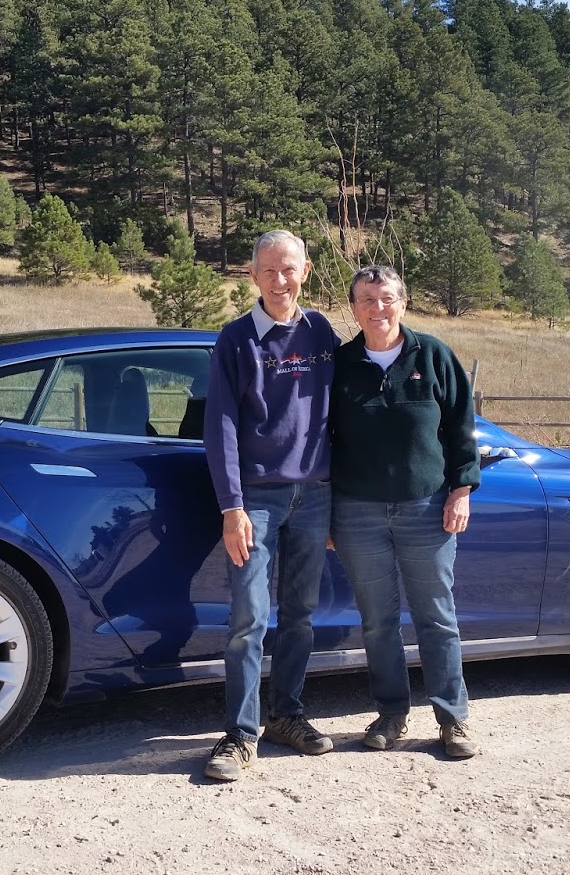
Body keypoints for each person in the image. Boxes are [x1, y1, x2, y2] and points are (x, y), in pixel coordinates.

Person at [201, 229, 340, 781]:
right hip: (255, 499)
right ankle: (240, 733)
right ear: (251, 275)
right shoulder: (235, 340)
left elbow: (340, 415)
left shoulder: (322, 332)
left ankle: (288, 715)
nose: (280, 280)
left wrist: (340, 495)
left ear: (305, 270)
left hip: (316, 497)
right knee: (249, 619)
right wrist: (232, 506)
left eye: (289, 269)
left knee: (300, 615)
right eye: (269, 270)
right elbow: (222, 426)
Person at [330, 264, 481, 759]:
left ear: (403, 301)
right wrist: (329, 512)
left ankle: (452, 719)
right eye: (367, 300)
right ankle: (391, 714)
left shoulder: (433, 356)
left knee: (436, 616)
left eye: (387, 298)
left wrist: (461, 490)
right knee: (377, 621)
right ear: (353, 307)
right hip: (356, 513)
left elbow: (462, 429)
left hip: (427, 509)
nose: (378, 309)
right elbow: (322, 442)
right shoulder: (340, 364)